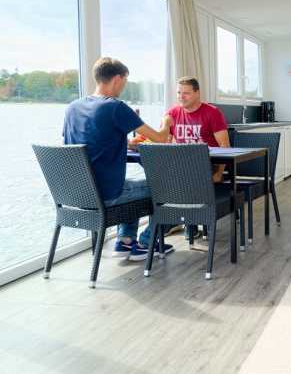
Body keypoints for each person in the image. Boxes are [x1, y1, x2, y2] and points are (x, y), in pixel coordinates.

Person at [63, 57, 172, 260]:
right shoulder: (115, 106)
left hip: (77, 194)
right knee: (166, 186)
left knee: (131, 184)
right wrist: (166, 121)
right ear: (117, 78)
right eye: (125, 80)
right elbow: (161, 138)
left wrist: (124, 143)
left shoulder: (72, 107)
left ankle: (125, 241)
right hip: (106, 194)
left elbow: (87, 141)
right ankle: (148, 242)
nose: (124, 86)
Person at [137, 76, 230, 245]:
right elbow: (164, 141)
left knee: (173, 183)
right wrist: (163, 126)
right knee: (157, 182)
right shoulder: (172, 113)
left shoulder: (212, 113)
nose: (181, 96)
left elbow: (224, 145)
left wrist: (219, 172)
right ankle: (180, 222)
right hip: (179, 167)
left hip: (204, 166)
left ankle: (162, 227)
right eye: (179, 92)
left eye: (186, 93)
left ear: (197, 93)